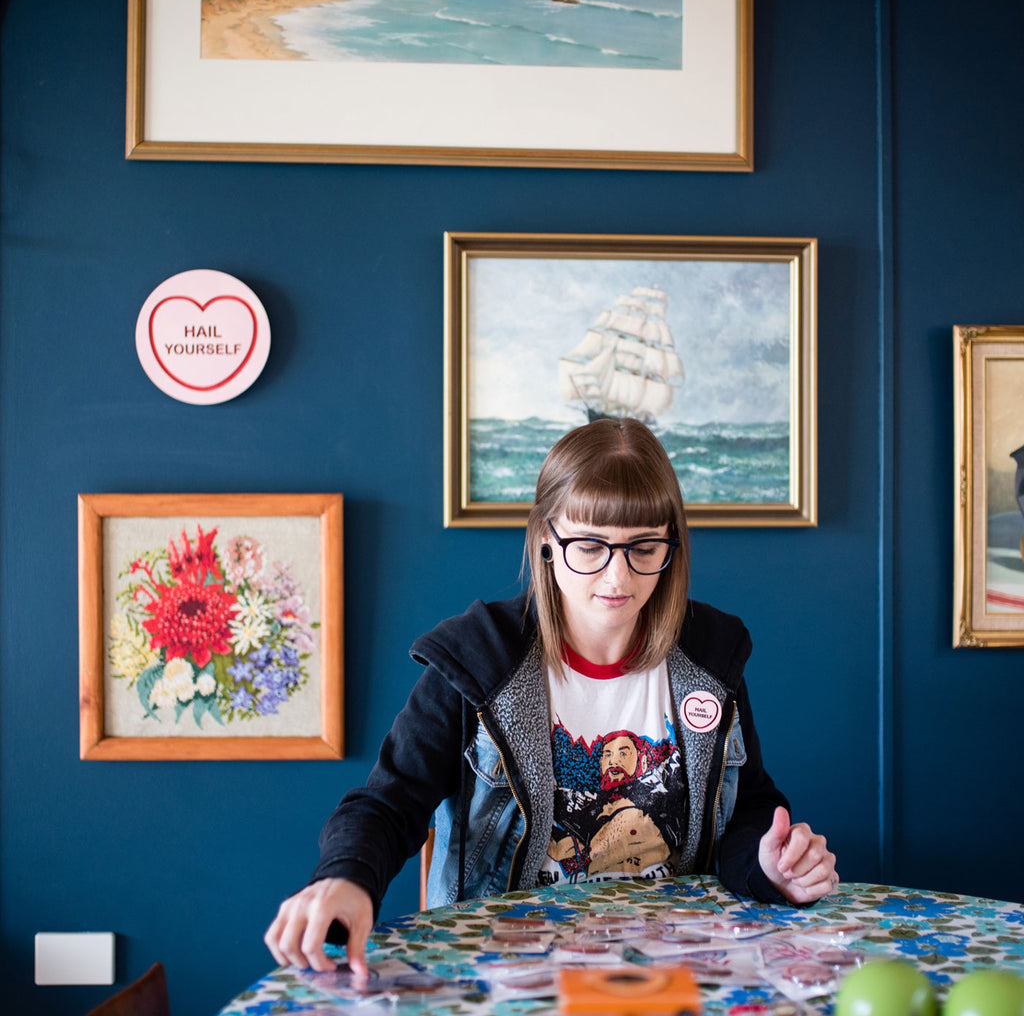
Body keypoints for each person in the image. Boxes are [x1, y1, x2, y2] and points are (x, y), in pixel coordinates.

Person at [265, 418, 838, 976]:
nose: (617, 578)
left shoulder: (713, 655)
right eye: (589, 546)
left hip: (675, 966)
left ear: (672, 545)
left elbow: (747, 809)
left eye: (643, 548)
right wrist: (344, 878)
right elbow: (389, 804)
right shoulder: (476, 660)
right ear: (546, 538)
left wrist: (769, 865)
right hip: (506, 969)